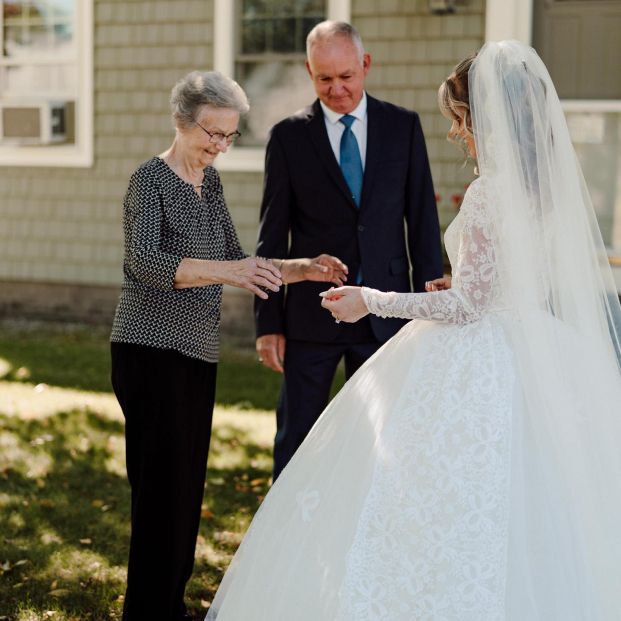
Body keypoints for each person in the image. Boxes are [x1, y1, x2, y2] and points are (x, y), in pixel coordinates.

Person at [205, 42, 621, 620]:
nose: (458, 135)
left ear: (488, 120)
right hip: (534, 342)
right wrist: (453, 289)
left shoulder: (488, 193)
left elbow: (471, 306)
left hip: (481, 357)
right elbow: (501, 286)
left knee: (432, 500)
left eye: (462, 121)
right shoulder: (545, 193)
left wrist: (368, 299)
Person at [109, 70, 347, 621]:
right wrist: (232, 272)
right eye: (211, 134)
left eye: (229, 136)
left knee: (186, 488)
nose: (218, 146)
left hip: (196, 354)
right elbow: (145, 264)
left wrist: (301, 268)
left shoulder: (208, 185)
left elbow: (240, 260)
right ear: (182, 121)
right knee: (160, 495)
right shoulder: (151, 180)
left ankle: (168, 605)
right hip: (150, 352)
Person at [255, 21, 443, 479]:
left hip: (387, 310)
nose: (337, 89)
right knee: (296, 436)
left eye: (346, 76)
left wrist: (430, 304)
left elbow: (421, 221)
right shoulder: (288, 137)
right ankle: (287, 537)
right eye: (324, 79)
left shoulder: (403, 126)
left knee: (386, 436)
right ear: (309, 71)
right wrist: (269, 323)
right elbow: (272, 237)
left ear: (366, 64)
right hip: (309, 317)